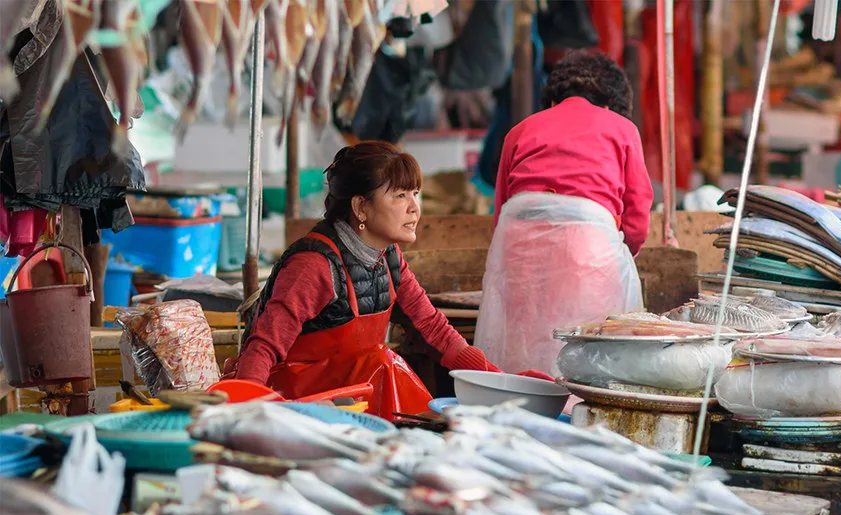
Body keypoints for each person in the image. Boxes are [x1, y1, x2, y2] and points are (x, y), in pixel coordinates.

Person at [233, 141, 544, 419]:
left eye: (415, 194)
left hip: (353, 401)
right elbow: (263, 346)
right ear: (360, 206)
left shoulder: (389, 257)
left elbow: (433, 328)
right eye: (399, 195)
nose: (414, 208)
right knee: (383, 360)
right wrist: (252, 413)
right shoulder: (312, 266)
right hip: (298, 406)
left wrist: (502, 382)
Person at [475, 50, 652, 376]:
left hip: (517, 244)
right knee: (584, 347)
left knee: (523, 339)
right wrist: (623, 254)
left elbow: (501, 212)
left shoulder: (520, 130)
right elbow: (638, 218)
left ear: (553, 98)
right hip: (587, 245)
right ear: (612, 101)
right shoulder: (622, 129)